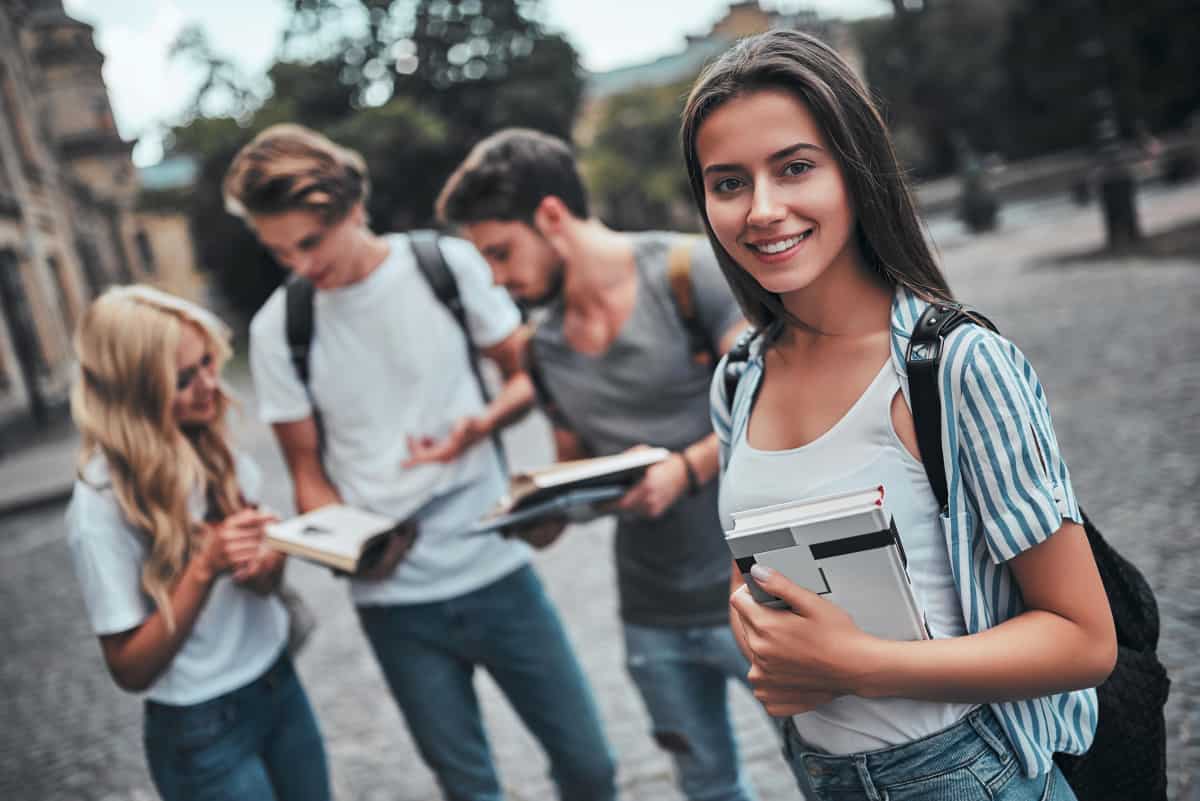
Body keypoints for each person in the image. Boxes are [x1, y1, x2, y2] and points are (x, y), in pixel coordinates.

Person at [681, 30, 1117, 801]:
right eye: (728, 183)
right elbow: (752, 575)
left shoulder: (954, 366)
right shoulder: (740, 375)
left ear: (855, 168)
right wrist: (761, 631)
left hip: (968, 774)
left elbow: (1084, 638)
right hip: (821, 774)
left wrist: (860, 665)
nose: (763, 209)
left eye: (795, 167)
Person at [223, 124, 617, 801]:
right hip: (396, 602)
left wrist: (480, 426)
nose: (300, 265)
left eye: (310, 241)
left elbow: (531, 378)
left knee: (590, 767)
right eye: (279, 250)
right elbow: (308, 475)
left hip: (497, 568)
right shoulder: (278, 330)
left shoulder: (446, 267)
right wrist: (350, 547)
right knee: (468, 788)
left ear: (350, 207)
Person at [435, 128, 757, 801]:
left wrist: (686, 469)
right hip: (651, 611)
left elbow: (776, 402)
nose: (496, 277)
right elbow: (574, 471)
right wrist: (537, 512)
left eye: (500, 252)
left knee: (828, 771)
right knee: (707, 786)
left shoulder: (690, 272)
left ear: (551, 216)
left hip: (759, 591)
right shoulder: (542, 350)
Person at [65, 285, 330, 801]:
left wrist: (266, 559)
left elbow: (263, 587)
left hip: (278, 684)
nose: (210, 385)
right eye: (184, 379)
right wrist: (204, 566)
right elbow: (130, 668)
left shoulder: (206, 442)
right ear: (133, 390)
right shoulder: (100, 504)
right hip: (203, 726)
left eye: (209, 362)